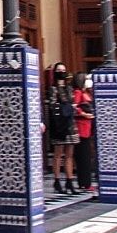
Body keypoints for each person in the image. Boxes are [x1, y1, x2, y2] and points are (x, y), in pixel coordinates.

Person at [46, 62, 77, 193]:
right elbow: (53, 105)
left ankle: (70, 180)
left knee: (70, 153)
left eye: (63, 70)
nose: (61, 72)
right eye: (59, 70)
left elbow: (72, 100)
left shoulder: (69, 88)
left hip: (70, 122)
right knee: (58, 153)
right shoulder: (53, 89)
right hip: (59, 123)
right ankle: (57, 180)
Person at [72, 71, 95, 191]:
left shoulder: (86, 92)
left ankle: (86, 181)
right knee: (83, 156)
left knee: (86, 155)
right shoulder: (77, 92)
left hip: (87, 127)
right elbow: (74, 107)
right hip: (80, 127)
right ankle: (84, 182)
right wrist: (84, 114)